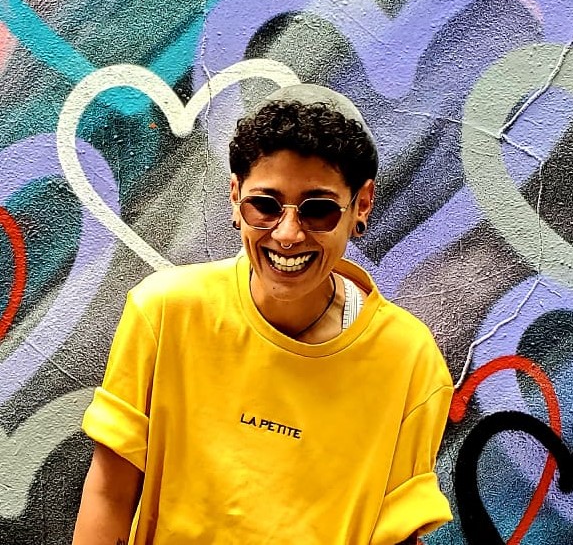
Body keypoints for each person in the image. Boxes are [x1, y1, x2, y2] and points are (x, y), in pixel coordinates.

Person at [72, 84, 453, 545]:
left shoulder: (409, 362)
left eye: (318, 211)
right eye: (265, 205)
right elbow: (111, 494)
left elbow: (398, 536)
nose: (288, 234)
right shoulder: (164, 314)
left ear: (362, 205)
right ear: (236, 198)